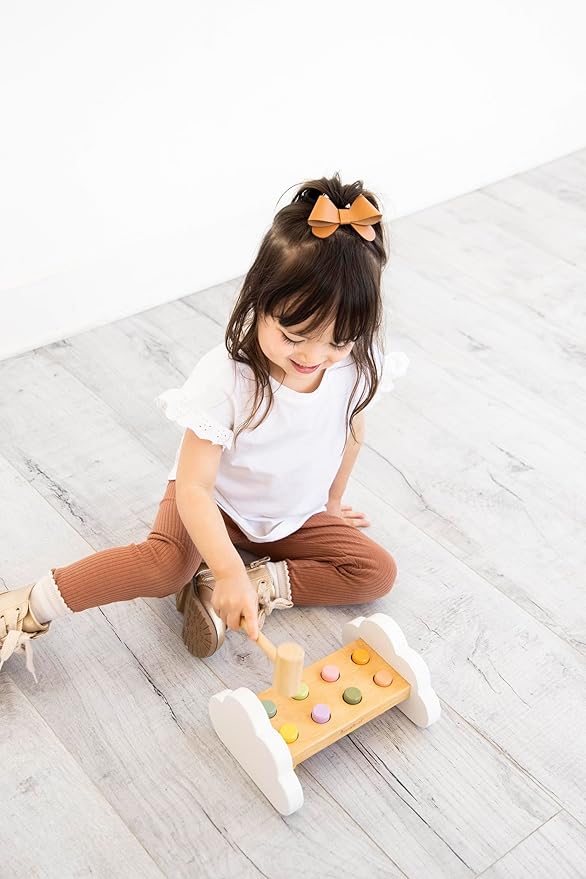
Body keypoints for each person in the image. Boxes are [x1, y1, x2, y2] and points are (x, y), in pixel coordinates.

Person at [0, 173, 410, 683]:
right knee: (163, 565)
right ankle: (25, 605)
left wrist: (329, 502)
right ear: (259, 301)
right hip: (213, 504)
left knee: (376, 572)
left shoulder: (354, 367)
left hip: (291, 513)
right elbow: (194, 488)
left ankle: (241, 587)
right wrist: (228, 562)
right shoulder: (228, 379)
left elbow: (351, 430)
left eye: (338, 342)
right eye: (293, 335)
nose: (313, 356)